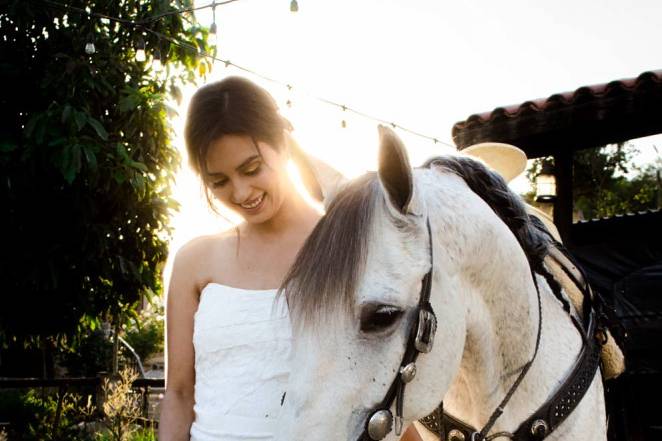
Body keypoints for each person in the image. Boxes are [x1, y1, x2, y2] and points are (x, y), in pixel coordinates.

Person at [158, 76, 322, 441]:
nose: (241, 192)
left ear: (282, 143)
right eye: (219, 182)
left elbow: (381, 382)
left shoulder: (342, 244)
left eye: (251, 169)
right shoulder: (195, 261)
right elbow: (180, 393)